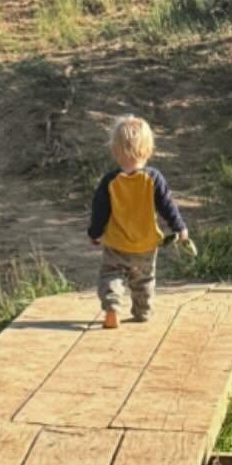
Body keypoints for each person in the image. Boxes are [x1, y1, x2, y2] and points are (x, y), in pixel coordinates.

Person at [87, 115, 188, 328]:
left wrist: (95, 233)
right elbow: (167, 206)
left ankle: (112, 307)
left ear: (115, 150)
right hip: (146, 243)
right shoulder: (154, 178)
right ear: (149, 149)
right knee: (143, 279)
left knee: (111, 275)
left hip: (116, 243)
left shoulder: (110, 181)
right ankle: (143, 311)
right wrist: (180, 227)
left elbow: (100, 211)